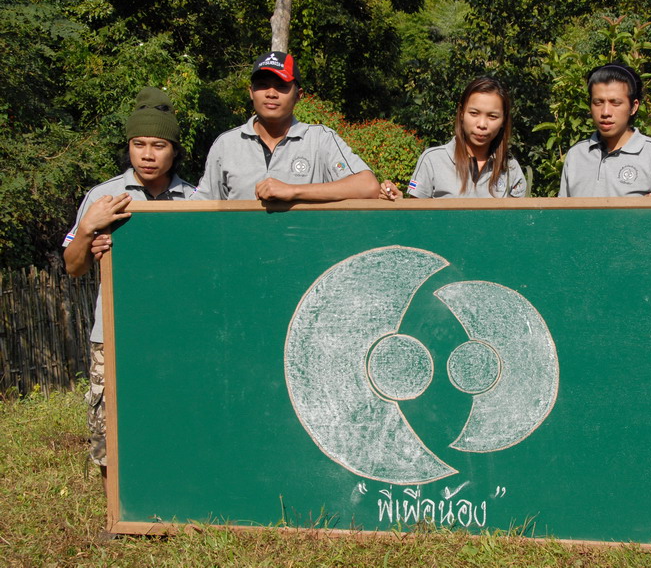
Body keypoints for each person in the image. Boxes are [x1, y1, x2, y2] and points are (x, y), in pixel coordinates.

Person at [63, 87, 197, 492]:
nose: (148, 154)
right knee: (109, 427)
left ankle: (174, 500)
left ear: (174, 150)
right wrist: (88, 230)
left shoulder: (196, 200)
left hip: (177, 336)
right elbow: (73, 267)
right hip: (114, 334)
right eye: (139, 144)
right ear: (129, 147)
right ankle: (116, 511)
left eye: (159, 145)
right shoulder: (102, 197)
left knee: (175, 420)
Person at [192, 51, 380, 201]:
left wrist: (293, 191)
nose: (271, 93)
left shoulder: (320, 139)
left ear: (298, 95)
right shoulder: (226, 144)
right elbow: (202, 203)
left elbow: (368, 186)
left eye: (281, 86)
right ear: (251, 92)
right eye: (262, 85)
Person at [380, 76, 526, 199]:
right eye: (474, 113)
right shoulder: (432, 160)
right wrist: (400, 202)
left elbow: (519, 220)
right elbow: (416, 217)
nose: (482, 124)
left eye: (492, 116)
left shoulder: (511, 168)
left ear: (503, 120)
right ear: (461, 113)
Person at [558, 63, 651, 197]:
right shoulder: (576, 155)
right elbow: (562, 209)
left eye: (615, 103)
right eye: (598, 102)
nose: (605, 112)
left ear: (633, 107)